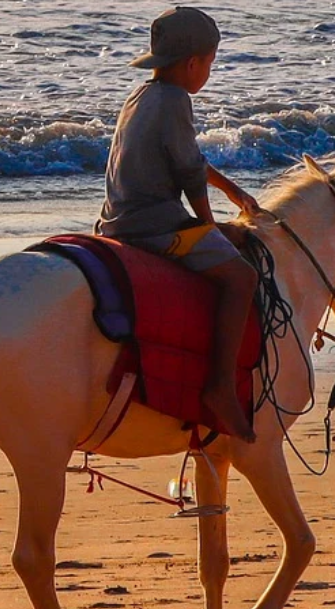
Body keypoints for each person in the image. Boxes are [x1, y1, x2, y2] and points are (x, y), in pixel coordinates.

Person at [98, 7, 259, 443]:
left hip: (115, 218)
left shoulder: (142, 95)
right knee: (241, 277)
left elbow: (188, 159)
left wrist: (232, 192)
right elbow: (189, 176)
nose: (208, 71)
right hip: (151, 226)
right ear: (193, 64)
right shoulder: (176, 101)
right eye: (210, 63)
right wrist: (211, 228)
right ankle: (221, 388)